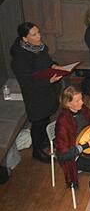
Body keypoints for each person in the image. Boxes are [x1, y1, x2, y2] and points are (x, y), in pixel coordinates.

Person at [10, 22, 64, 163]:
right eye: (34, 34)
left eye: (38, 32)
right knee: (38, 122)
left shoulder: (39, 48)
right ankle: (37, 150)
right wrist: (49, 82)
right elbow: (27, 82)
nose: (39, 36)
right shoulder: (20, 58)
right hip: (35, 94)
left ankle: (45, 140)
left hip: (46, 91)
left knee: (46, 117)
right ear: (25, 39)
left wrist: (53, 65)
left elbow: (46, 62)